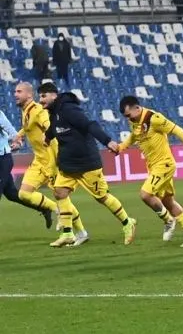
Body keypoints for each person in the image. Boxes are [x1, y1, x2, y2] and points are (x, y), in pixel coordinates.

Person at [40, 83, 136, 247]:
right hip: (69, 165)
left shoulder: (68, 109)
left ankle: (127, 223)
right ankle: (68, 233)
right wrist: (48, 137)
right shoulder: (54, 113)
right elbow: (55, 127)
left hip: (86, 163)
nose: (40, 100)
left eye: (43, 96)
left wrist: (107, 141)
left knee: (102, 197)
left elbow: (90, 125)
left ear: (53, 95)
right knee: (60, 192)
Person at [115, 96, 183, 247]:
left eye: (129, 115)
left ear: (137, 108)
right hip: (153, 167)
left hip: (164, 165)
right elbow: (134, 136)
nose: (128, 119)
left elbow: (177, 130)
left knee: (145, 194)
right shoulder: (134, 121)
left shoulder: (154, 118)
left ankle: (168, 220)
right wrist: (120, 147)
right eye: (126, 117)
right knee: (168, 201)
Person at [11, 82, 60, 230]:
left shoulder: (38, 110)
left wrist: (48, 135)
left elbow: (50, 127)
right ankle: (56, 209)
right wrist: (19, 136)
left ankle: (75, 231)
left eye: (19, 91)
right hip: (39, 160)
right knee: (24, 194)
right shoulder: (26, 110)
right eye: (15, 91)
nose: (15, 94)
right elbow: (28, 126)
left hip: (51, 160)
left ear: (29, 95)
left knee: (62, 196)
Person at [0, 98, 53, 229]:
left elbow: (11, 131)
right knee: (12, 194)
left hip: (3, 159)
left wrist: (17, 141)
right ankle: (44, 208)